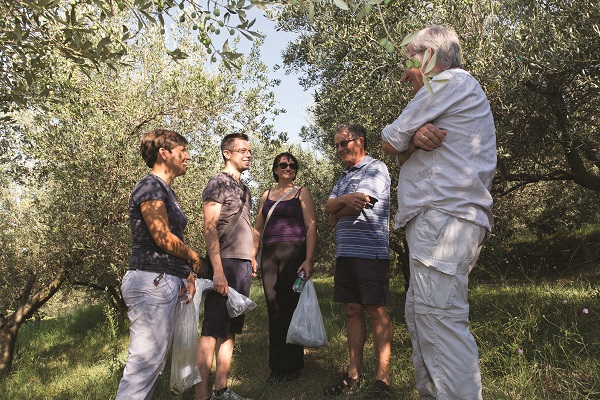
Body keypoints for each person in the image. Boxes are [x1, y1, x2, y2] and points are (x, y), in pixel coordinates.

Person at [381, 25, 497, 400]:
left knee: (440, 322)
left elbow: (389, 138)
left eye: (411, 58)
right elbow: (404, 144)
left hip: (442, 218)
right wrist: (415, 139)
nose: (406, 69)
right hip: (444, 218)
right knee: (422, 317)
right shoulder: (455, 89)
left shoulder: (447, 82)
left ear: (430, 57)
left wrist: (408, 136)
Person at [116, 129, 200, 400]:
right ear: (164, 154)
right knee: (144, 365)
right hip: (151, 281)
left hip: (163, 279)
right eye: (182, 151)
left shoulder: (165, 191)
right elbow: (162, 237)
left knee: (152, 364)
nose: (188, 156)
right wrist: (194, 257)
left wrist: (187, 274)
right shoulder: (150, 186)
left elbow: (170, 239)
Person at [323, 122, 393, 399]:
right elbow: (328, 206)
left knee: (375, 309)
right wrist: (341, 205)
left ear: (360, 141)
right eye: (337, 145)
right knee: (352, 309)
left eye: (344, 143)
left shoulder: (376, 167)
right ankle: (353, 373)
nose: (340, 149)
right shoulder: (343, 175)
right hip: (346, 253)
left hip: (370, 252)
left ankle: (382, 378)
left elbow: (362, 200)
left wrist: (341, 207)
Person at [195, 133, 254, 400]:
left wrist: (251, 257)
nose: (248, 154)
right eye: (242, 150)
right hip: (225, 264)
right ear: (226, 153)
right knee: (212, 329)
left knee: (230, 330)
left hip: (241, 265)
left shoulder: (245, 189)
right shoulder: (218, 182)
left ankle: (221, 390)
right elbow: (210, 228)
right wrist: (218, 271)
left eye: (249, 150)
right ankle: (202, 395)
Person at [252, 152, 317, 385]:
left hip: (294, 253)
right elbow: (258, 228)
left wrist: (308, 260)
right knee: (274, 309)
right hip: (270, 255)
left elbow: (311, 226)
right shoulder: (266, 195)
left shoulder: (302, 193)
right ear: (276, 169)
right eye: (283, 164)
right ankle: (276, 365)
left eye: (292, 165)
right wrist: (253, 255)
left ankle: (292, 365)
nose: (288, 167)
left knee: (290, 308)